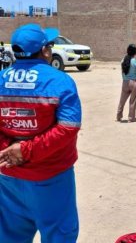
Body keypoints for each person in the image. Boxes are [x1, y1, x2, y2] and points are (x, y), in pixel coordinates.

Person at [0, 23, 82, 242]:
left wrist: (8, 149)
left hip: (8, 176)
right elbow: (68, 128)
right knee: (59, 235)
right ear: (45, 50)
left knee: (10, 236)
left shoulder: (1, 78)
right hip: (51, 176)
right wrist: (25, 149)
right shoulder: (60, 80)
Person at [116, 44, 136, 122]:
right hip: (134, 83)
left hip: (125, 82)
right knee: (133, 101)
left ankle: (118, 116)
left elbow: (122, 72)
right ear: (135, 52)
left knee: (122, 100)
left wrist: (124, 80)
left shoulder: (123, 60)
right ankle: (131, 118)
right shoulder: (135, 61)